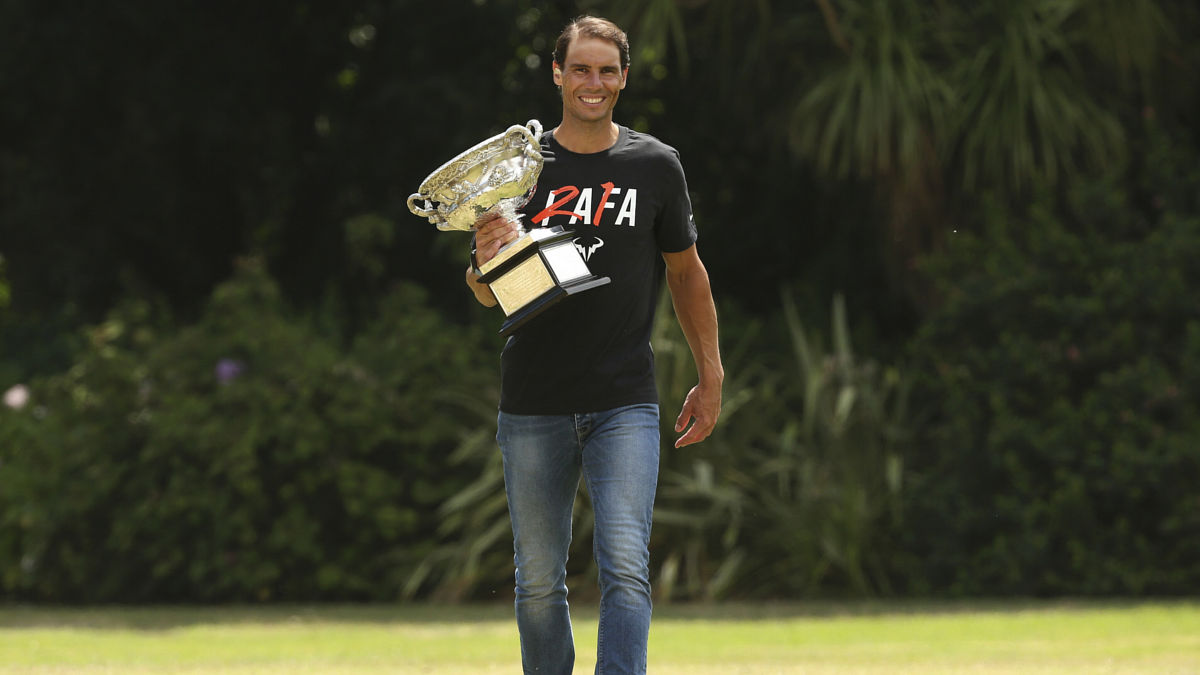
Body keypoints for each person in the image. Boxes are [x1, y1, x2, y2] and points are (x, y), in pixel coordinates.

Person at [464, 15, 723, 675]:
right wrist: (481, 263)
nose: (593, 82)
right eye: (580, 68)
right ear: (556, 72)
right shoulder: (519, 170)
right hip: (533, 401)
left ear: (625, 78)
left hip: (623, 401)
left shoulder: (655, 166)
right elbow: (489, 290)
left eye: (607, 70)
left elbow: (687, 273)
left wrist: (711, 374)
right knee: (540, 582)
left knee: (627, 568)